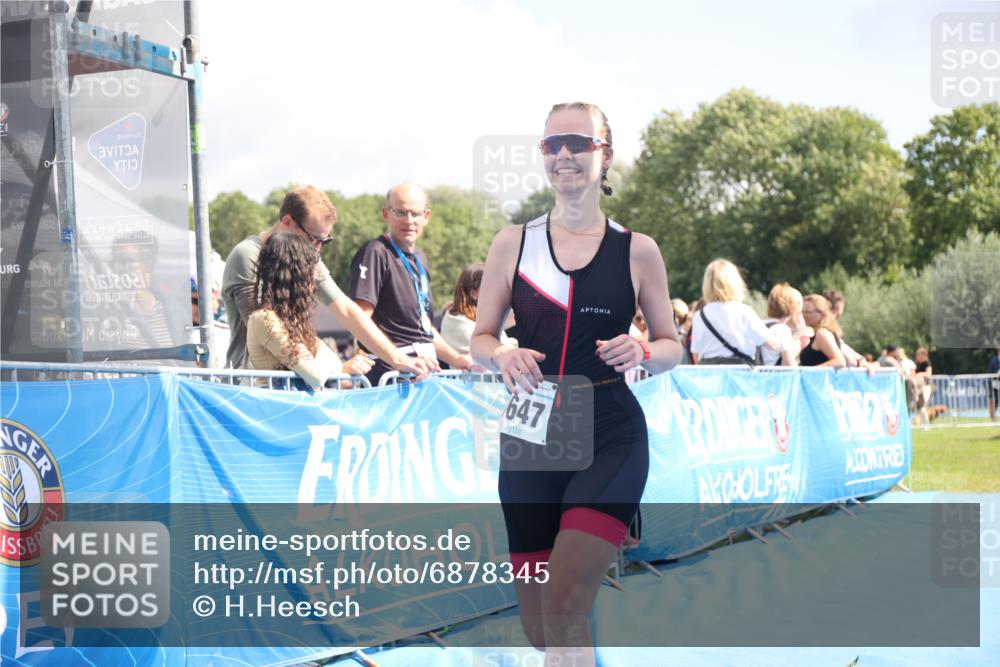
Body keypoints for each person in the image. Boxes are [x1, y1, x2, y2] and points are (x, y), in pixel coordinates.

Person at [470, 101, 683, 666]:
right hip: (533, 436)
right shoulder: (510, 243)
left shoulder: (638, 250)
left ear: (604, 155)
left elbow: (672, 345)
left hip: (610, 429)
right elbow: (481, 338)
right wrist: (503, 354)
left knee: (566, 600)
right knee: (542, 626)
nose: (564, 153)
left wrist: (641, 348)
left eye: (578, 142)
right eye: (552, 143)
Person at [221, 185, 434, 380]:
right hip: (250, 387)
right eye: (313, 239)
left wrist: (398, 359)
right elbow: (270, 331)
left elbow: (347, 310)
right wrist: (335, 369)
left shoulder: (307, 255)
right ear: (287, 222)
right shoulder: (247, 254)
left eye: (324, 241)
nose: (317, 250)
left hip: (294, 382)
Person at [349, 183, 473, 384]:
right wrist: (400, 360)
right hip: (390, 378)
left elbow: (423, 329)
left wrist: (457, 359)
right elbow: (359, 320)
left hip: (422, 373)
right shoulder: (375, 252)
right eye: (400, 212)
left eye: (415, 214)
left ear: (426, 216)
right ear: (386, 214)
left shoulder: (420, 258)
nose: (409, 221)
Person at [245, 234, 374, 390]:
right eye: (310, 269)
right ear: (294, 276)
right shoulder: (264, 319)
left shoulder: (292, 322)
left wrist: (318, 363)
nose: (315, 277)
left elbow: (333, 363)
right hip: (280, 410)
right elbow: (315, 377)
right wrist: (326, 367)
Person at [689, 259, 780, 365]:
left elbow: (696, 355)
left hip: (709, 373)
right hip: (739, 371)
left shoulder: (699, 315)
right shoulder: (743, 311)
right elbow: (772, 345)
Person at [440, 263, 515, 359]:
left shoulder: (478, 317)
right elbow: (493, 348)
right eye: (491, 285)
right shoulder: (456, 320)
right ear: (474, 293)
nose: (497, 290)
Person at [759, 283, 803, 367]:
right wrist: (795, 350)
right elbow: (788, 364)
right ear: (793, 307)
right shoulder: (782, 329)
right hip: (774, 378)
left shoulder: (760, 323)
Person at [799, 295, 847, 367]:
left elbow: (839, 361)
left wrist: (809, 372)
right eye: (802, 312)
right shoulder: (820, 333)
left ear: (821, 313)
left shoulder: (822, 334)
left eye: (808, 312)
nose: (804, 315)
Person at [988, 347, 1000, 422]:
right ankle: (993, 416)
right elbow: (990, 373)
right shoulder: (994, 361)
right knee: (995, 400)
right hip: (996, 384)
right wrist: (997, 375)